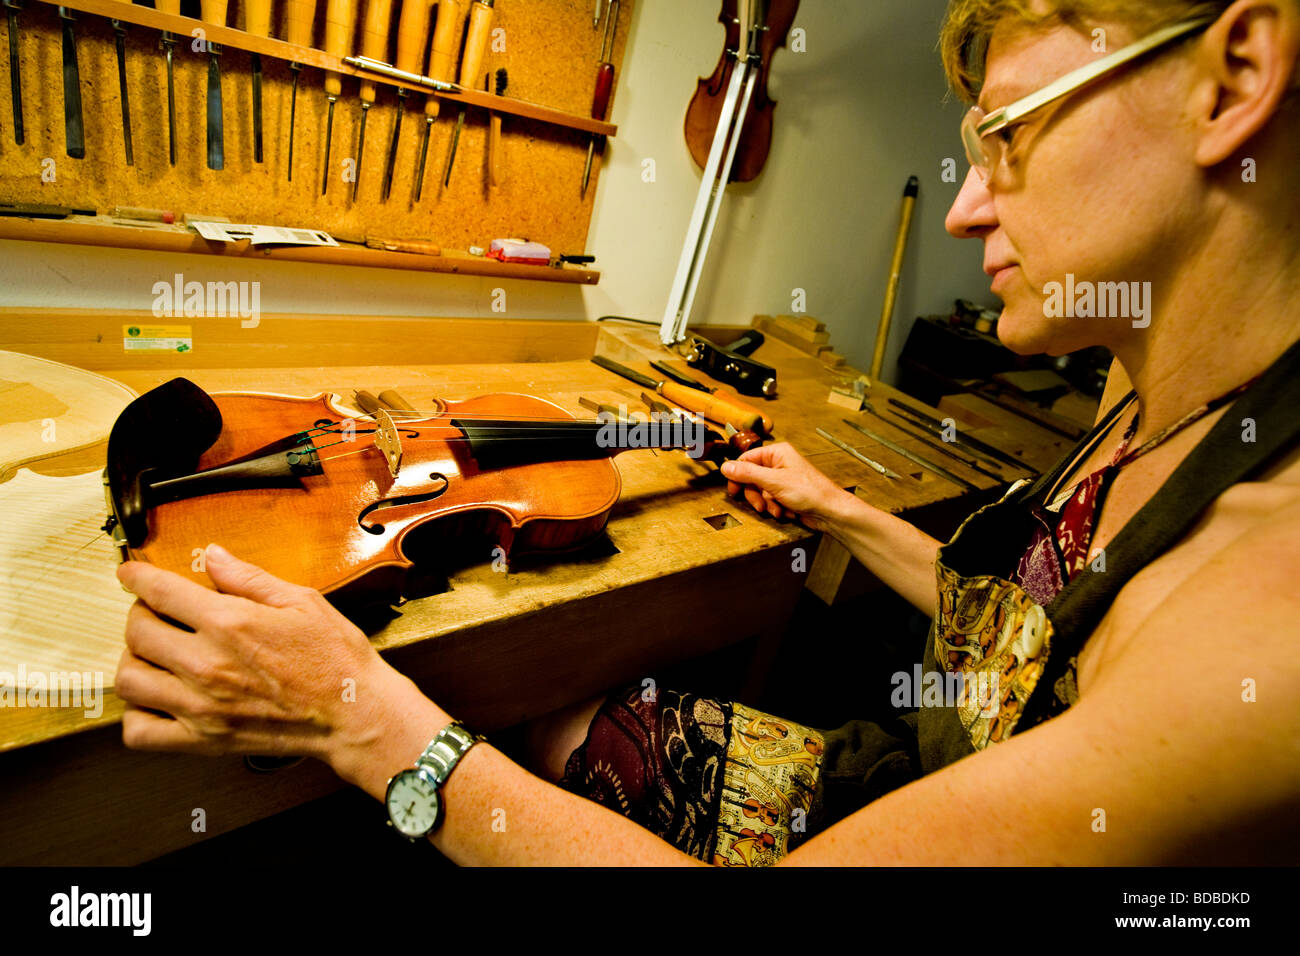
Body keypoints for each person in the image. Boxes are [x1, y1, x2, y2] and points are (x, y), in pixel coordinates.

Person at [115, 0, 1300, 865]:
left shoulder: (1261, 624)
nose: (963, 202)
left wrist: (363, 719)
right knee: (566, 705)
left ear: (1231, 76)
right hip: (893, 769)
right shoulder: (1148, 397)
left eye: (1005, 134)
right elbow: (1023, 637)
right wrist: (840, 509)